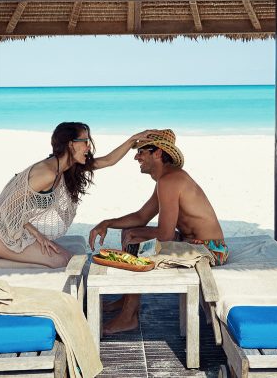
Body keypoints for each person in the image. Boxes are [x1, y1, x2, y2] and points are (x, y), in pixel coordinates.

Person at [87, 129, 227, 334]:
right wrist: (107, 222)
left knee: (136, 242)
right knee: (129, 232)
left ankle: (128, 316)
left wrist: (134, 236)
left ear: (158, 153)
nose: (136, 156)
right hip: (192, 243)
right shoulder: (167, 180)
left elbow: (165, 235)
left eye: (141, 151)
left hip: (210, 250)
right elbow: (141, 216)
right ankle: (128, 297)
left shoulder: (170, 181)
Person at [0, 122, 159, 268]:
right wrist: (38, 236)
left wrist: (132, 140)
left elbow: (108, 160)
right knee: (59, 262)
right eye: (85, 141)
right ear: (70, 144)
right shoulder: (47, 173)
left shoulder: (68, 167)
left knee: (69, 259)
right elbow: (8, 208)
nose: (88, 147)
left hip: (14, 228)